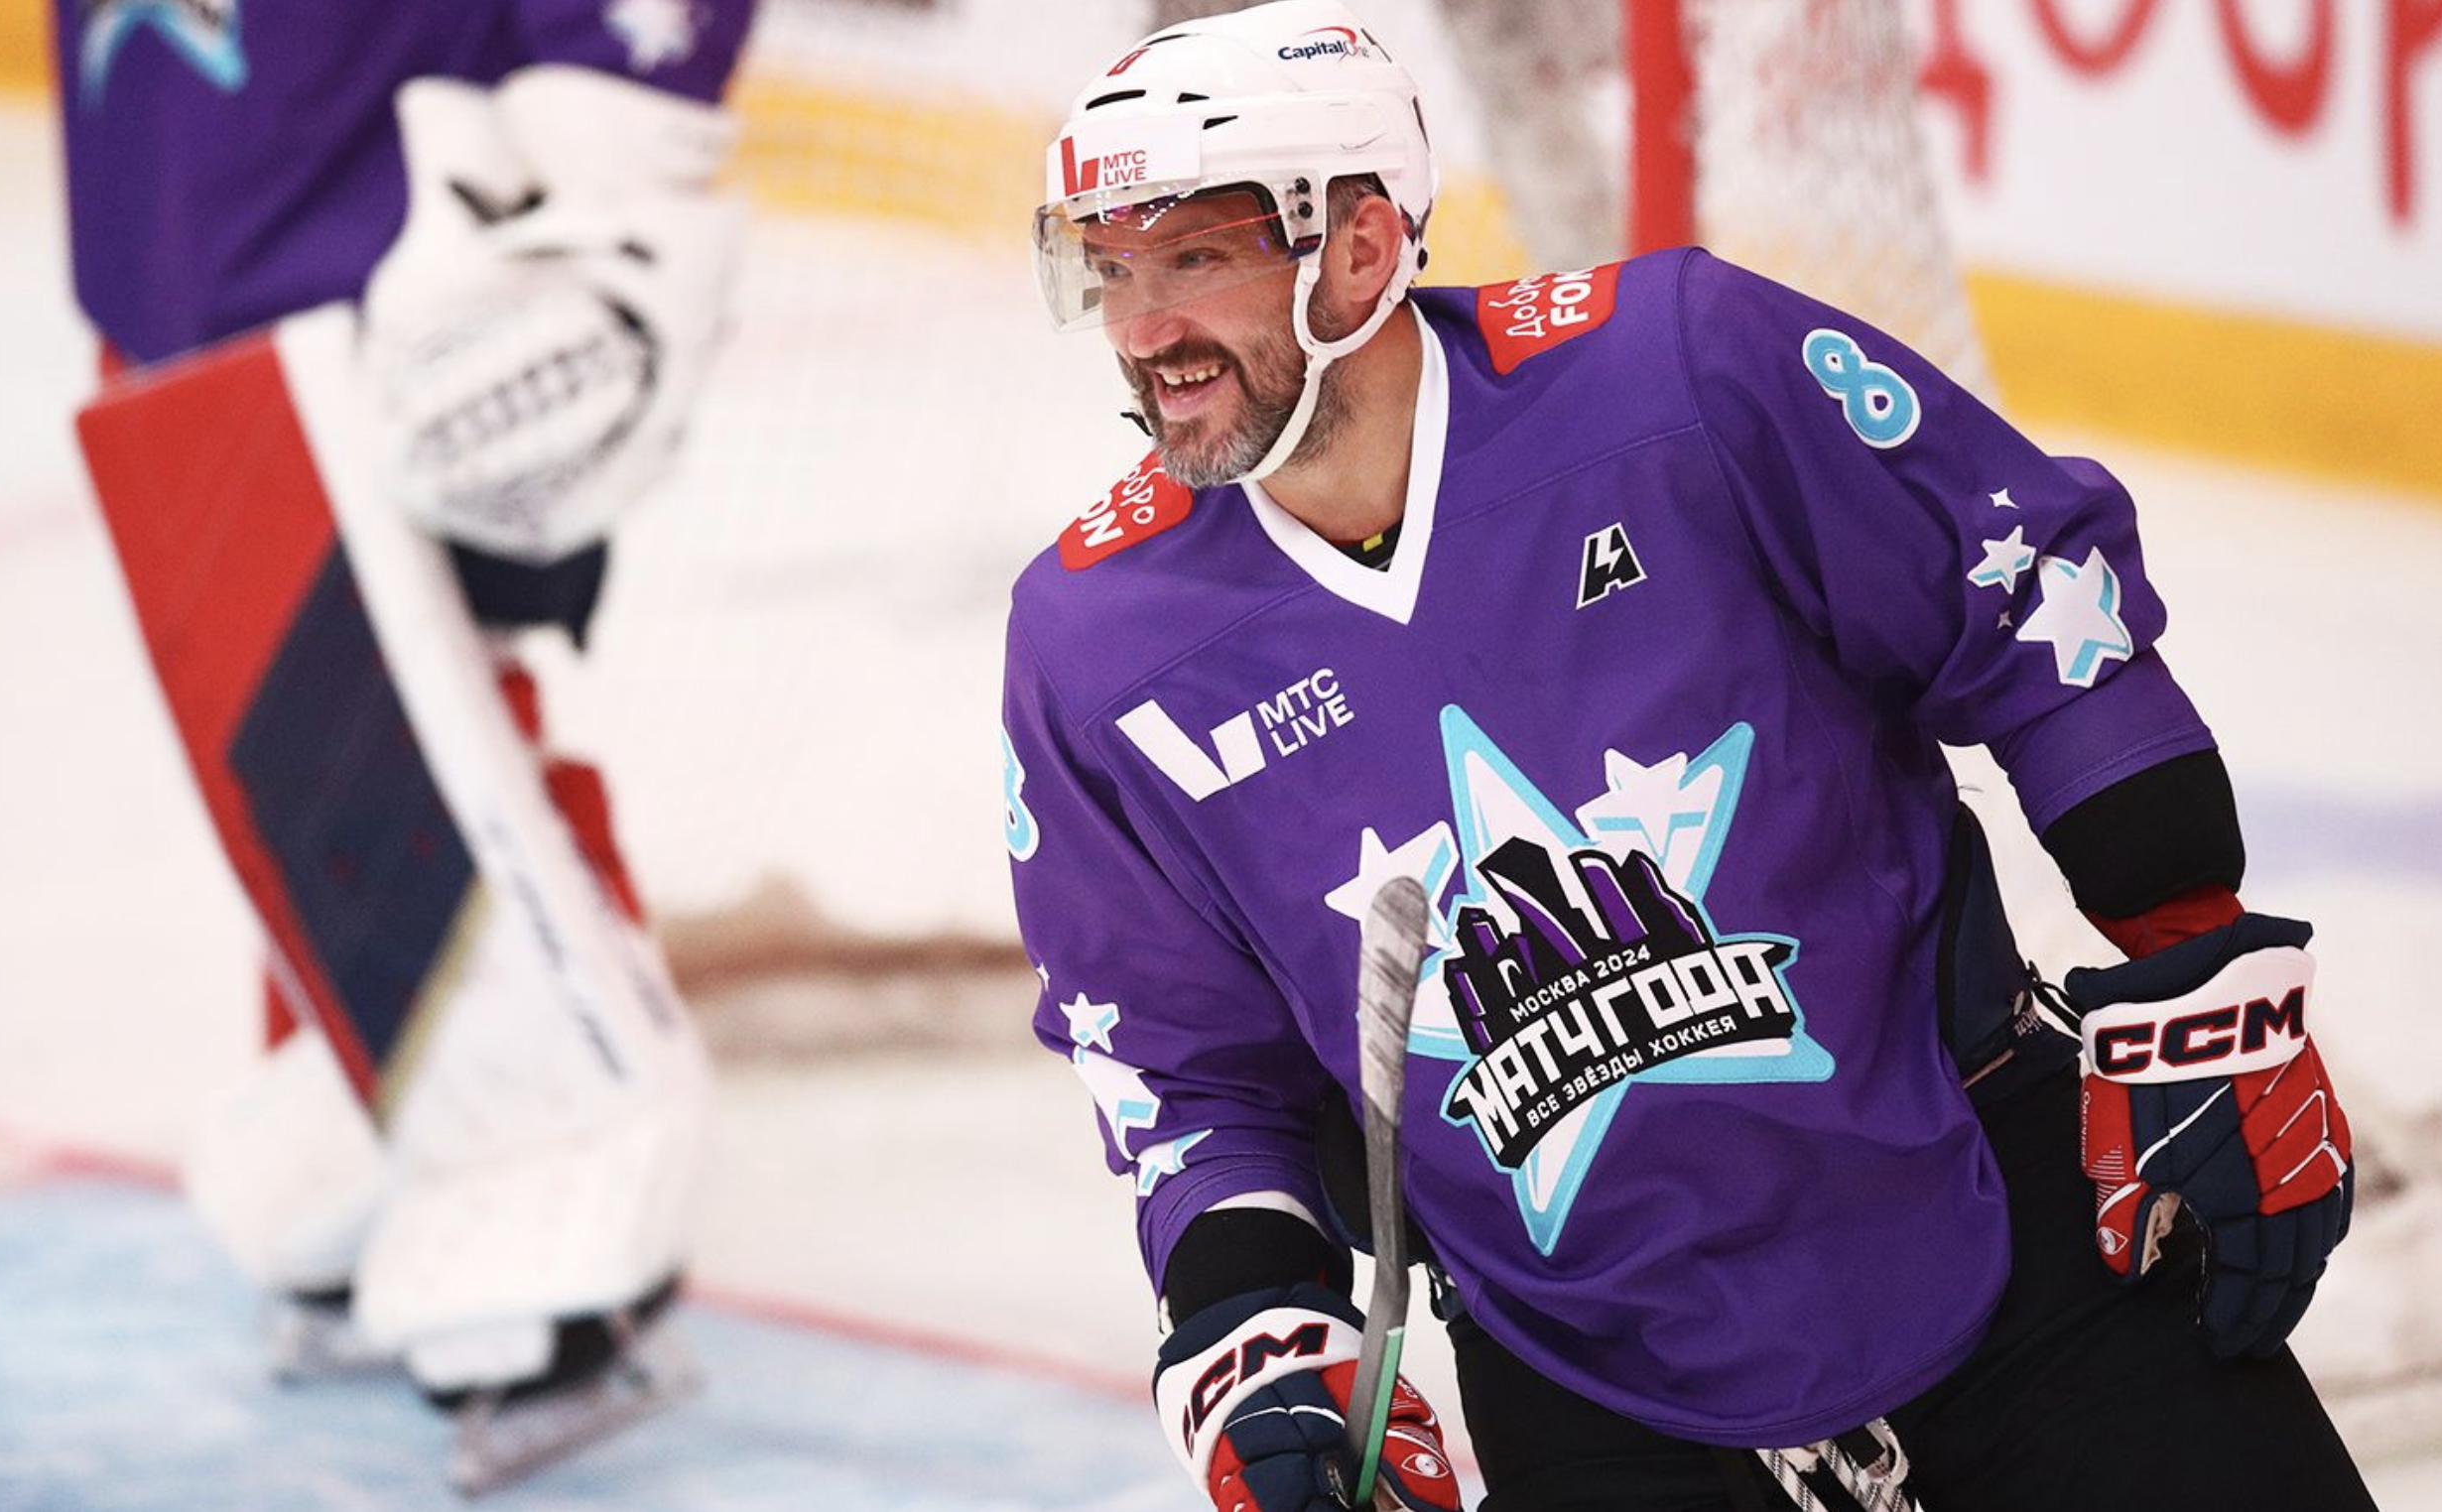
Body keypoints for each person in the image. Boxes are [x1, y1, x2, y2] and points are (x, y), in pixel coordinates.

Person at [1000, 3, 2372, 1508]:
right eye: (1110, 270)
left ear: (1364, 247)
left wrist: (2192, 949)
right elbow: (1184, 1068)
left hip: (2004, 1227)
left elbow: (2015, 585)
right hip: (1585, 1380)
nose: (1143, 332)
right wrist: (1253, 1328)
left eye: (1195, 259)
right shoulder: (1096, 646)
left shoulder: (1675, 372)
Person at [54, 0, 752, 1484]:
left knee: (430, 741)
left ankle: (556, 1211)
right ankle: (398, 1134)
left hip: (386, 259)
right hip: (174, 240)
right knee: (279, 766)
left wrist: (605, 186)